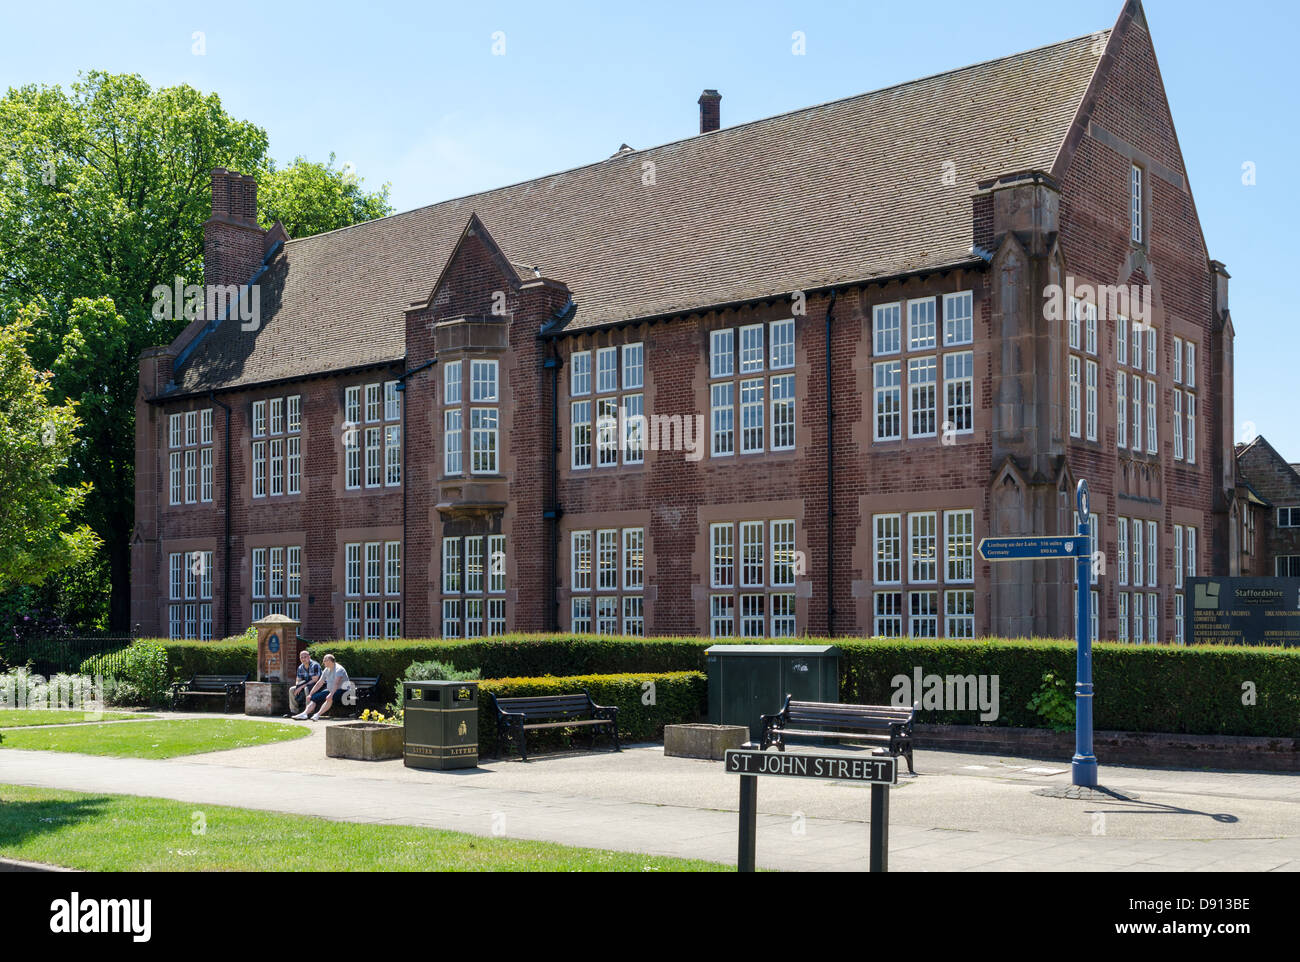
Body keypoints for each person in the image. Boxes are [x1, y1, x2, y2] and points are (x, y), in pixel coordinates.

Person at [294, 653, 350, 720]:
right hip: (331, 690)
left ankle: (317, 715)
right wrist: (310, 694)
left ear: (330, 661)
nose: (323, 662)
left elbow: (336, 684)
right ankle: (305, 714)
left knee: (329, 698)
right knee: (314, 697)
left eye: (325, 660)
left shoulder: (339, 669)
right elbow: (319, 683)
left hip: (343, 690)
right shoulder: (326, 669)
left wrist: (331, 695)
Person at [286, 649, 321, 717]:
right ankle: (294, 711)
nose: (303, 659)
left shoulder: (315, 665)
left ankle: (308, 712)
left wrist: (301, 687)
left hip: (317, 686)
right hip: (305, 685)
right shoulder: (300, 667)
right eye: (301, 657)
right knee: (292, 689)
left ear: (309, 657)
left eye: (305, 657)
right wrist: (297, 687)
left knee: (306, 689)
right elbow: (298, 680)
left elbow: (315, 680)